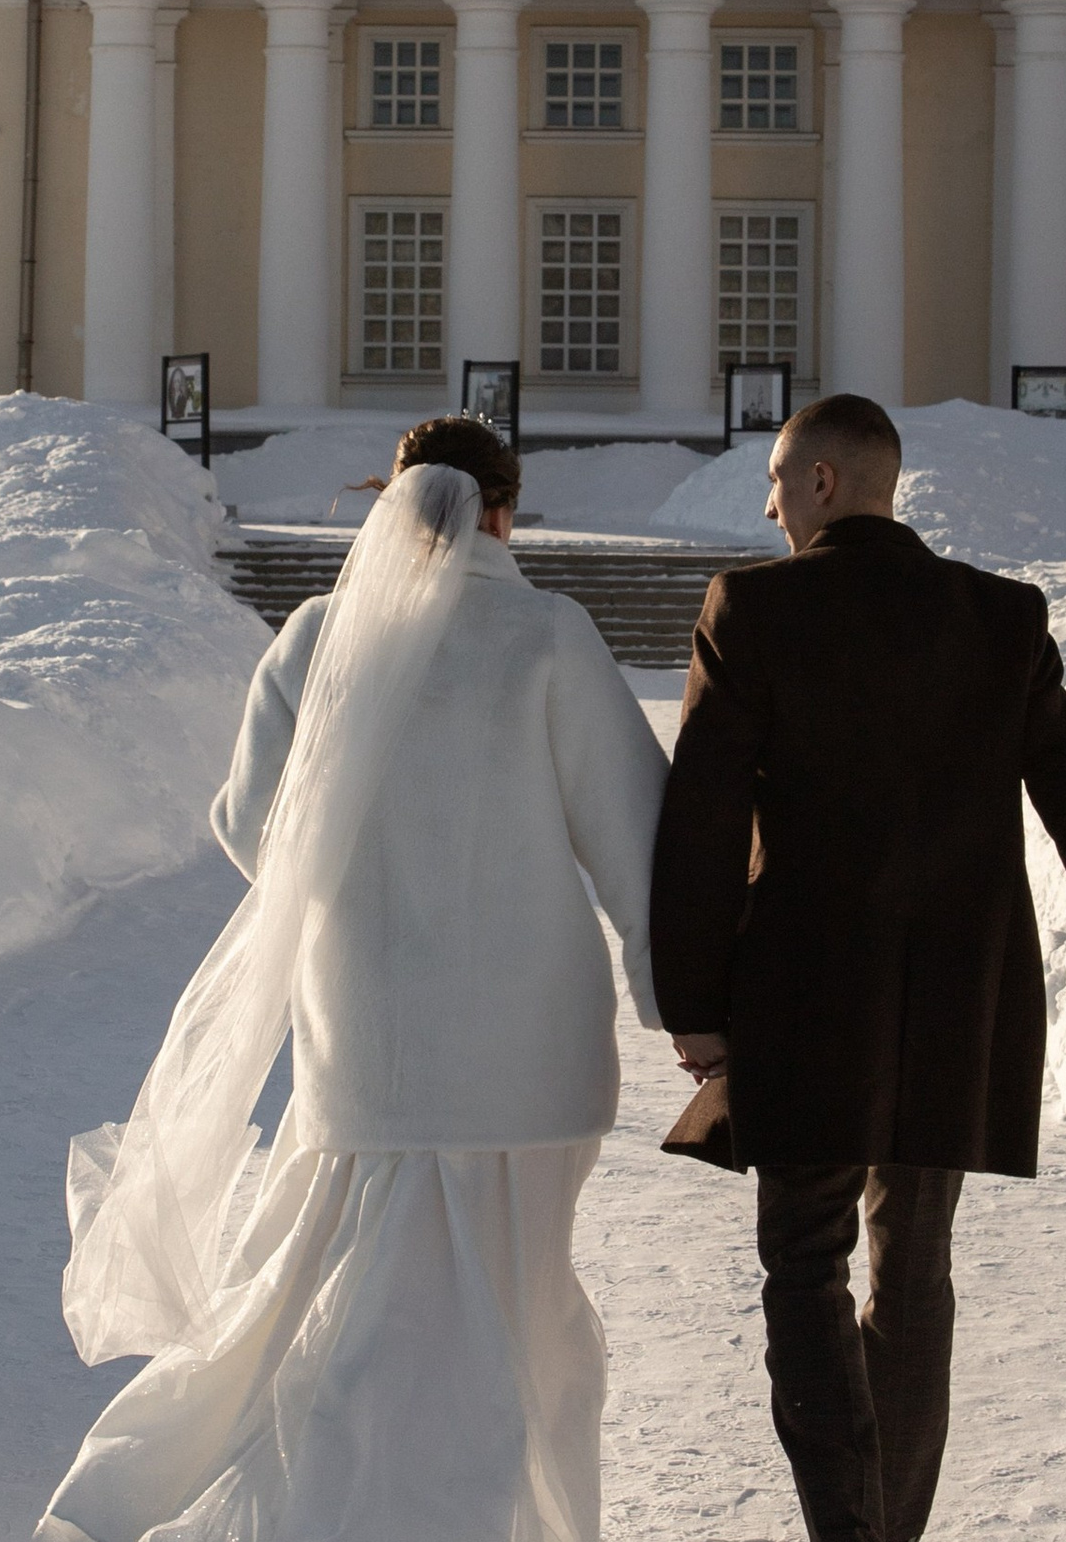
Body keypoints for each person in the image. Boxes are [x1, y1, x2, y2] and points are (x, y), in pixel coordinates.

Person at [40, 416, 669, 1542]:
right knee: (518, 1317)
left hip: (366, 1044)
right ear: (504, 512)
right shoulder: (544, 635)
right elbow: (638, 841)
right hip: (528, 1055)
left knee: (356, 1314)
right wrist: (679, 1003)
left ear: (389, 499)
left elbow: (251, 825)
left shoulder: (317, 637)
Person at [651, 394, 1066, 1542]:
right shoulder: (1000, 617)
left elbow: (701, 816)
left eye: (775, 479)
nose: (767, 505)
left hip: (805, 996)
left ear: (821, 482)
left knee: (803, 1263)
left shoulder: (751, 607)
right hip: (960, 1000)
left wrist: (694, 1003)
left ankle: (850, 1531)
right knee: (914, 1269)